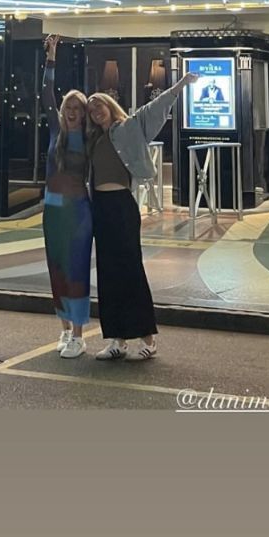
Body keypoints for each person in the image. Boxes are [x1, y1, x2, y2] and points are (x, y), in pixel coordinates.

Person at [87, 70, 197, 360]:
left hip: (122, 206)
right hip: (100, 207)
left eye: (99, 104)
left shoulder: (129, 128)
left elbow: (155, 108)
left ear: (109, 106)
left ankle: (147, 339)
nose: (96, 111)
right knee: (108, 274)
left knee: (131, 270)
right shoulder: (93, 140)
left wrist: (180, 86)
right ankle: (116, 340)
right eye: (91, 109)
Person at [40, 35, 92, 360]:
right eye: (67, 107)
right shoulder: (56, 132)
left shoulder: (90, 137)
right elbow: (46, 93)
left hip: (78, 211)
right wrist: (51, 60)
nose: (71, 112)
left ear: (84, 113)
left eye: (77, 108)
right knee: (56, 268)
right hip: (52, 210)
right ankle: (63, 327)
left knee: (76, 268)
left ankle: (78, 334)